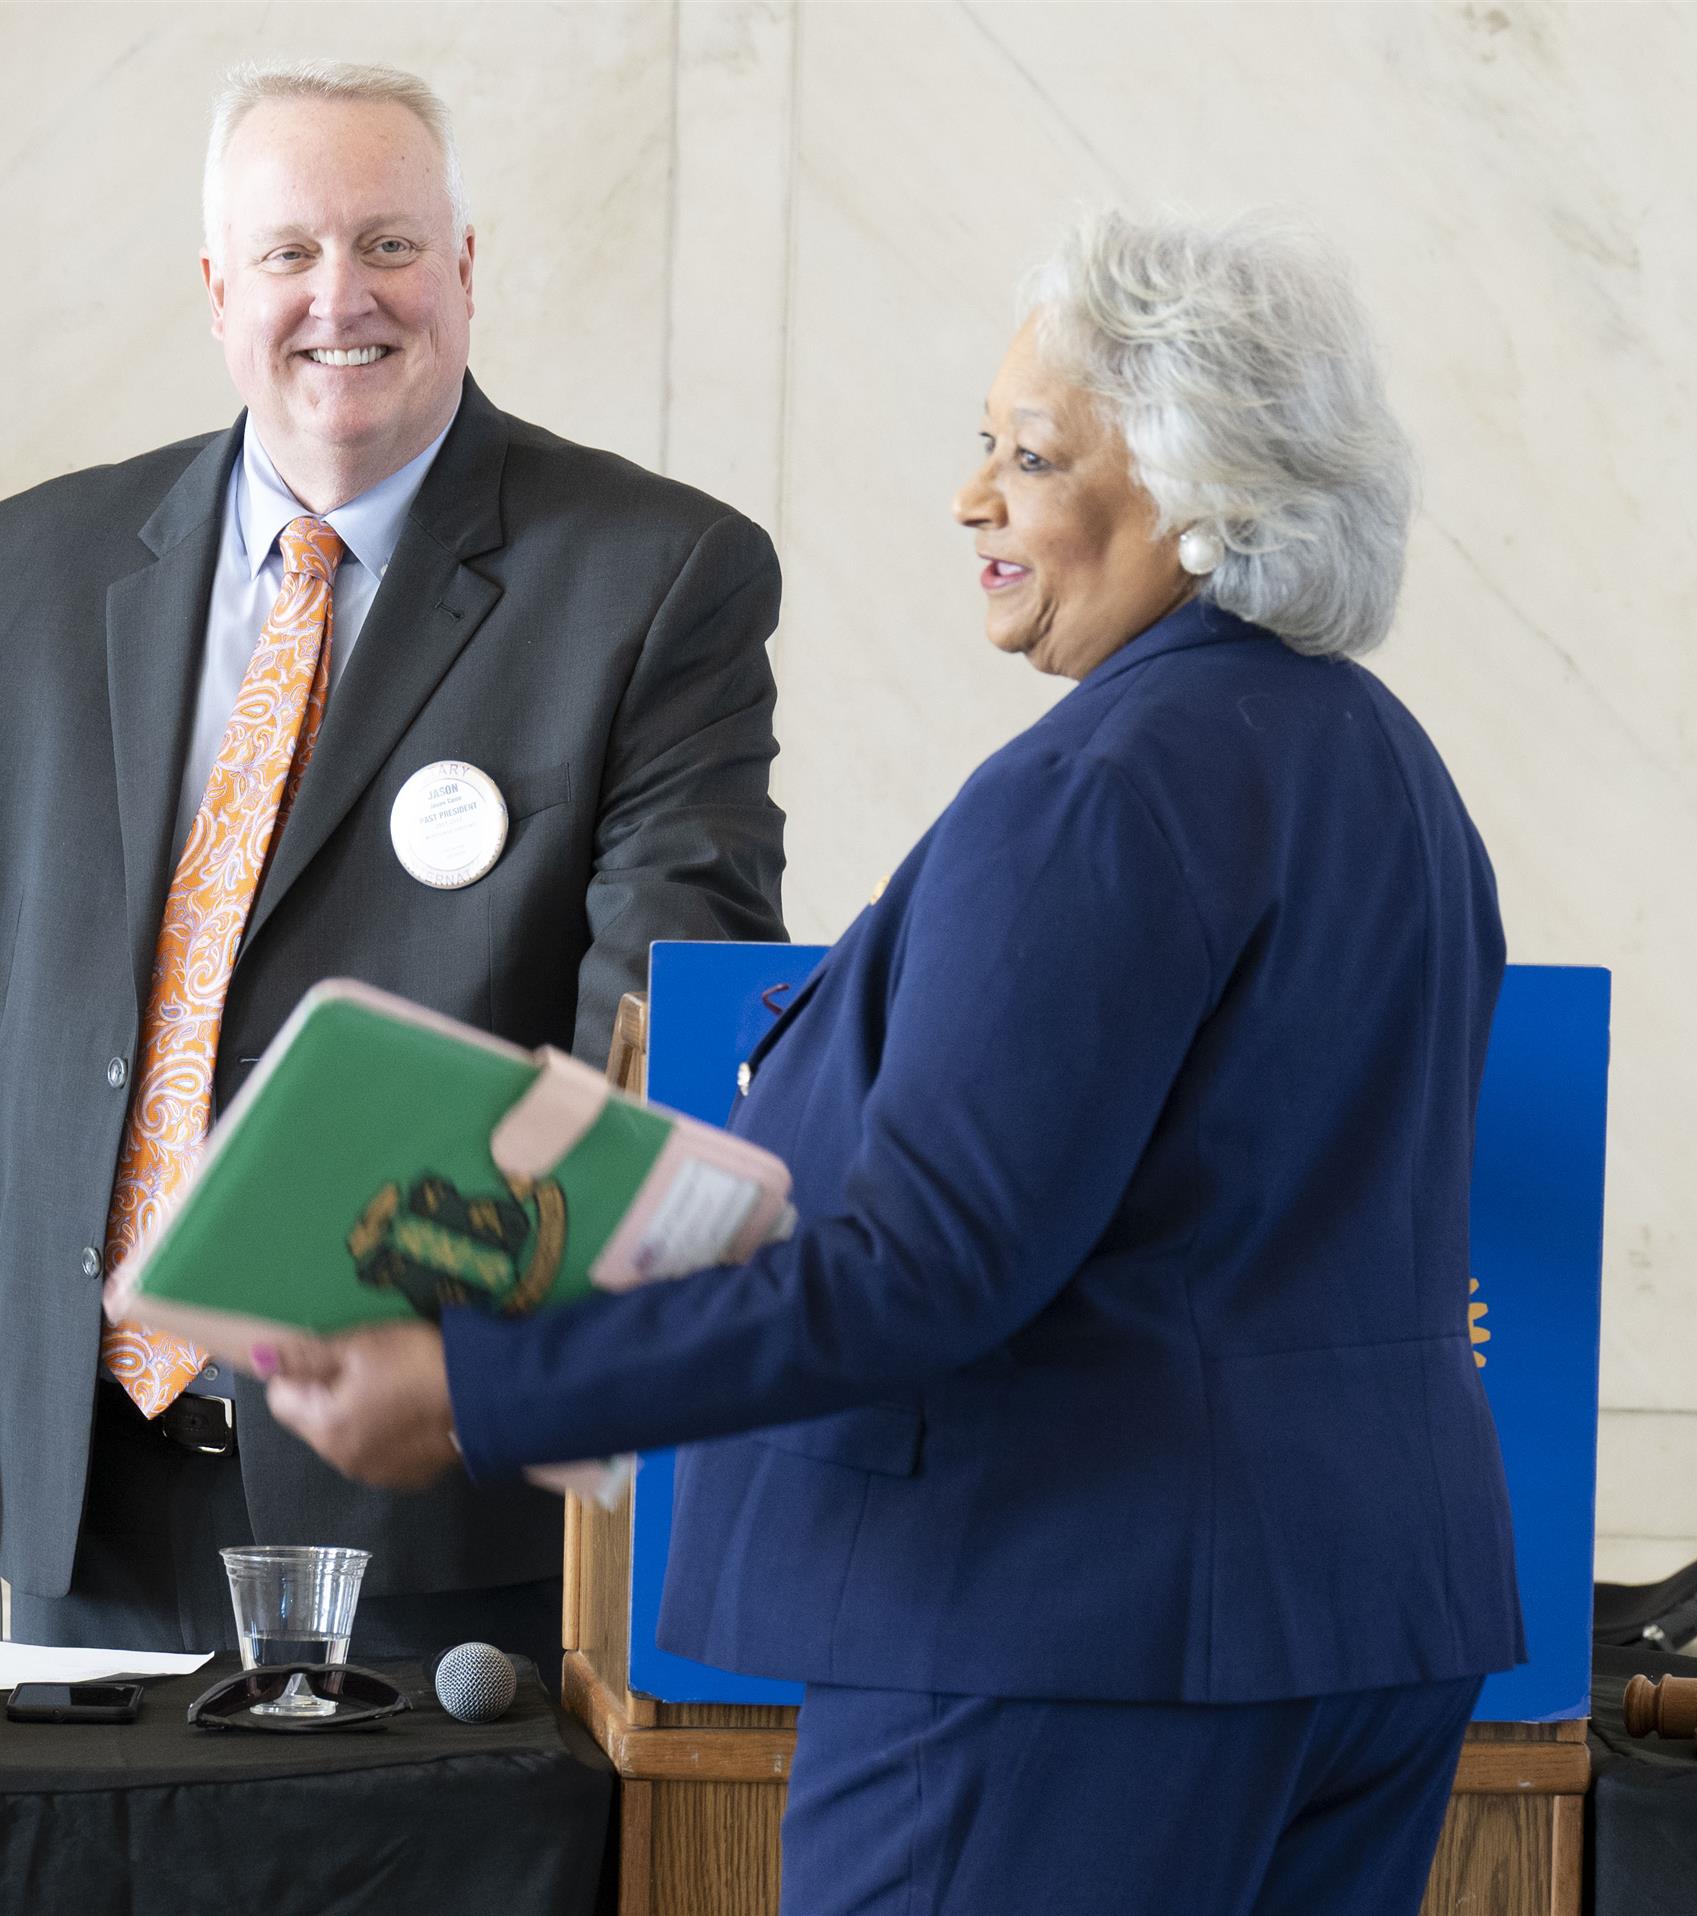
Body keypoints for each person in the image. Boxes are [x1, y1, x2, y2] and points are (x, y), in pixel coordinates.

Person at [257, 210, 1524, 1914]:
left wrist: (482, 1386)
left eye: (1033, 455)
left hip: (1060, 1647)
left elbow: (924, 1271)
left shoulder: (1093, 793)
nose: (971, 497)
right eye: (984, 444)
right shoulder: (1394, 773)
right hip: (1366, 1633)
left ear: (1202, 496)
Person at [0, 59, 786, 1673]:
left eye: (391, 245)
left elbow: (647, 1036)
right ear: (218, 290)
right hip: (83, 1490)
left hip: (431, 1503)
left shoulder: (657, 579)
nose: (345, 296)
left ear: (464, 268)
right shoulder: (22, 572)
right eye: (290, 253)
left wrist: (515, 1374)